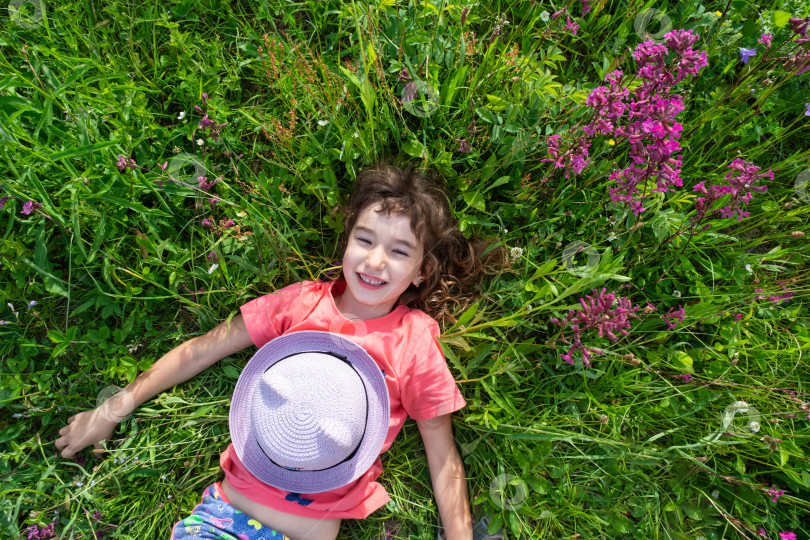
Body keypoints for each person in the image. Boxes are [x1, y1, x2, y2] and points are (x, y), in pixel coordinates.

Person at [55, 163, 503, 540]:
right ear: (347, 240)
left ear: (422, 271)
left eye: (399, 251)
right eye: (365, 240)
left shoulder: (412, 339)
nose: (375, 261)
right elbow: (201, 349)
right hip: (219, 522)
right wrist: (113, 409)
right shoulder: (301, 303)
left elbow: (440, 452)